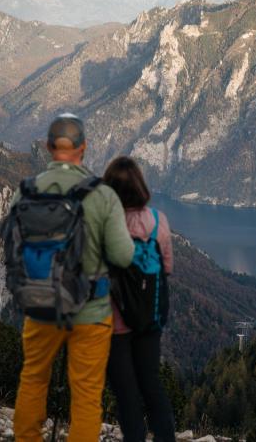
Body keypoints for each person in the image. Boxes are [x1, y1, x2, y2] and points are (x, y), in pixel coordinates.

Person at [13, 114, 135, 441]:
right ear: (84, 148)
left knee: (34, 379)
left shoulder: (25, 191)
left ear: (48, 147)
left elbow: (14, 249)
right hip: (90, 311)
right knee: (86, 393)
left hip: (39, 306)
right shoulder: (103, 195)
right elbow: (124, 256)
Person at [103, 156, 176, 442]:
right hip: (150, 319)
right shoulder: (159, 221)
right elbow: (166, 268)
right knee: (152, 388)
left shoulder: (108, 225)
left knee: (127, 396)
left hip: (116, 323)